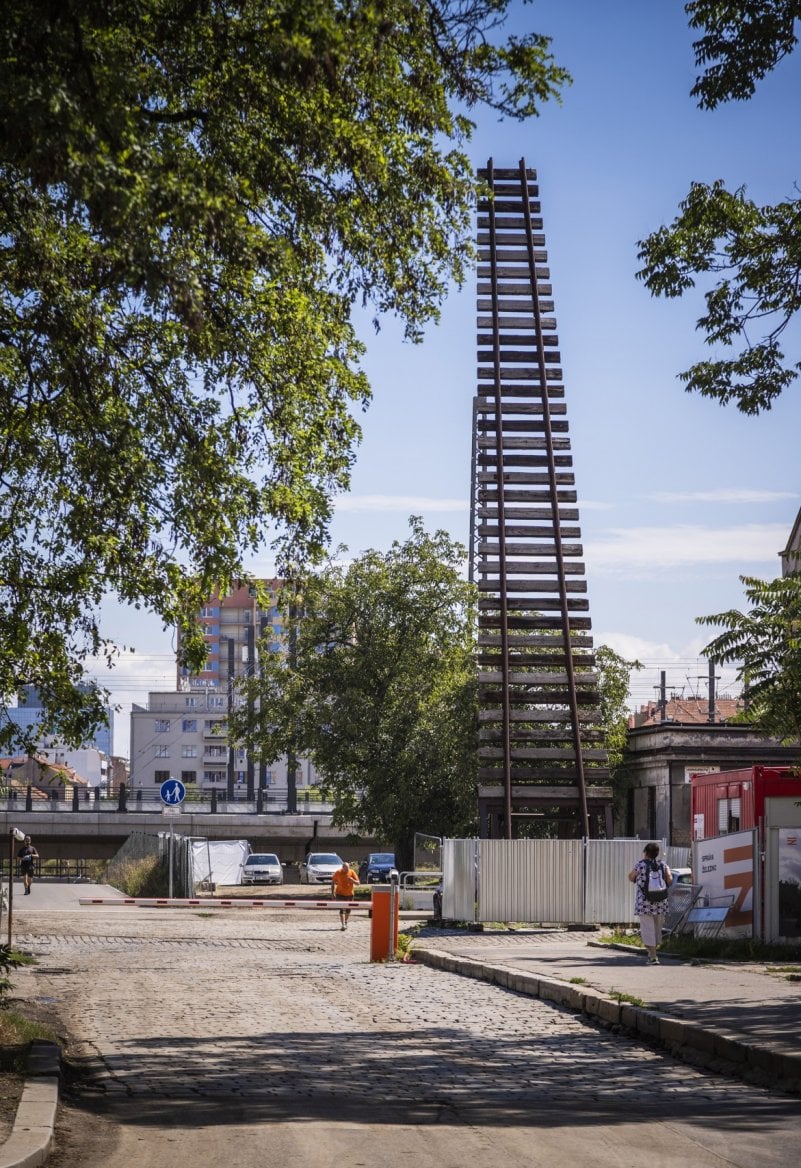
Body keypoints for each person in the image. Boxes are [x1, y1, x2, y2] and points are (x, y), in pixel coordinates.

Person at [628, 841, 673, 964]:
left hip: (645, 903)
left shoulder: (640, 865)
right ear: (657, 853)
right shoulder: (663, 865)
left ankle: (653, 956)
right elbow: (670, 880)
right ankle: (652, 952)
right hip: (660, 902)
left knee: (647, 929)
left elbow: (631, 877)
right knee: (657, 929)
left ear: (645, 852)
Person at [331, 859, 360, 930]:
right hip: (339, 894)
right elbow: (332, 882)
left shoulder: (352, 872)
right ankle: (343, 924)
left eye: (348, 868)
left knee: (348, 910)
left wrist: (352, 880)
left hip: (349, 894)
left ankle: (346, 922)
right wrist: (332, 893)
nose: (347, 870)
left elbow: (358, 883)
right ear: (342, 868)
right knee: (341, 909)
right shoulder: (338, 872)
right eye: (345, 869)